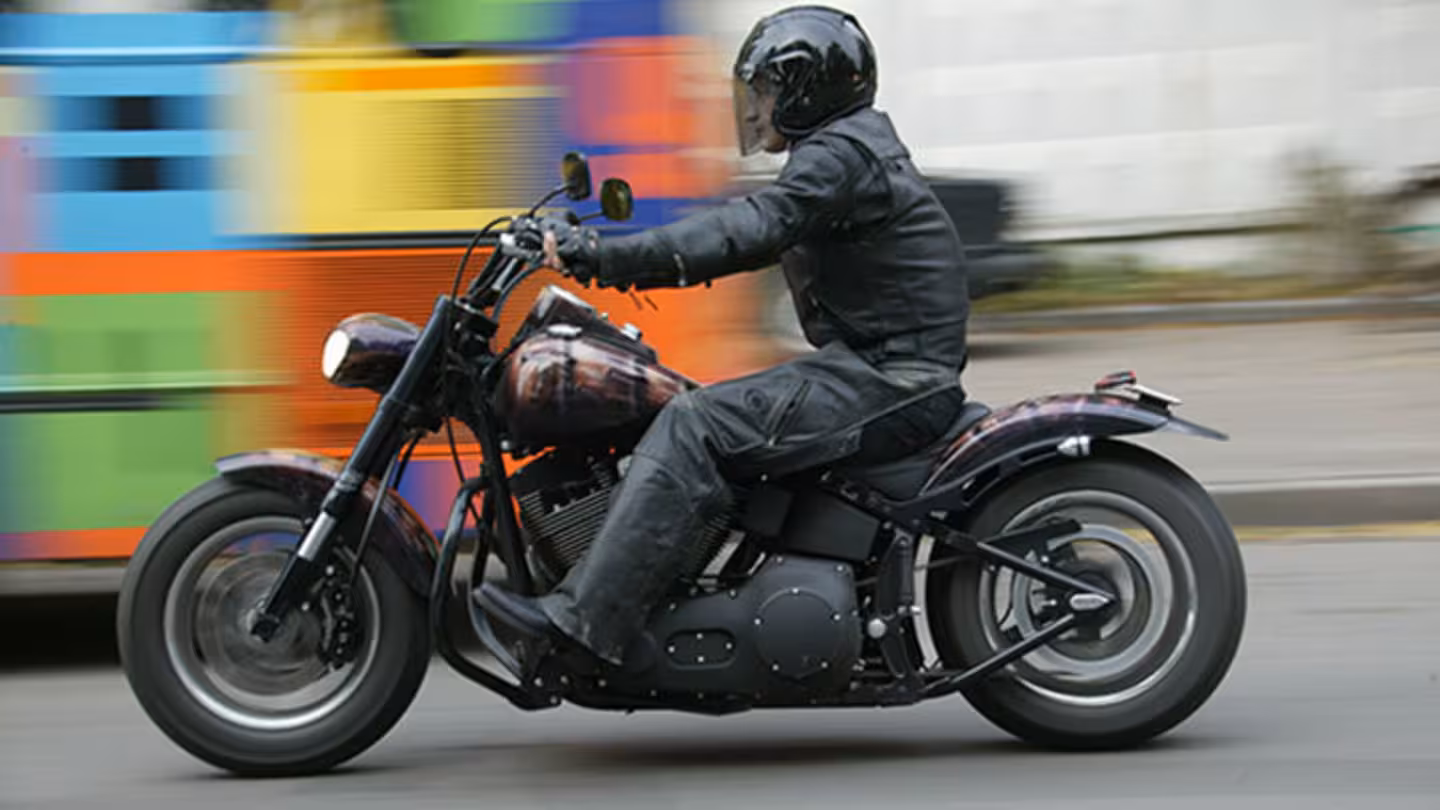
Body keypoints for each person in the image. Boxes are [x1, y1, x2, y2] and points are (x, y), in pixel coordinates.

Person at [477, 4, 970, 669]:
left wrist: (601, 255)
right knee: (696, 406)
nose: (755, 108)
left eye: (765, 91)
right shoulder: (846, 151)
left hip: (893, 381)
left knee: (694, 422)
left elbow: (748, 230)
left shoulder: (840, 157)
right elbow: (751, 229)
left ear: (806, 89)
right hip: (876, 369)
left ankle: (585, 623)